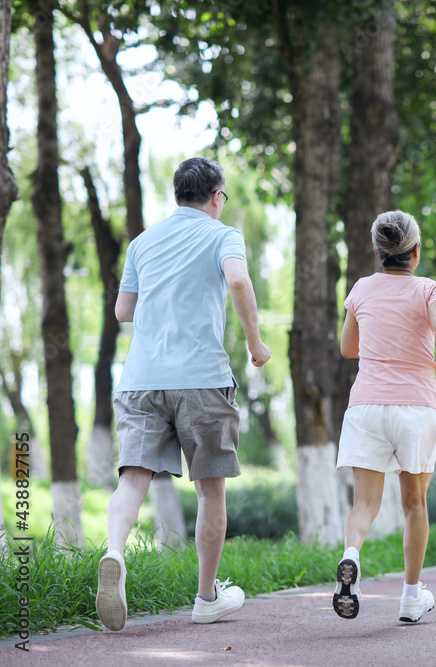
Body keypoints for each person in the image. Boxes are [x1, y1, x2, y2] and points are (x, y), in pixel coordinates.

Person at [96, 157, 271, 632]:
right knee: (210, 489)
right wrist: (255, 344)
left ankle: (114, 553)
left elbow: (122, 311)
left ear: (177, 195)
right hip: (202, 379)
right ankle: (206, 598)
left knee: (132, 477)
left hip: (141, 380)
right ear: (217, 197)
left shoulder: (142, 243)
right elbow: (237, 279)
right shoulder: (223, 235)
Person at [333, 210, 436, 623]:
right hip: (415, 407)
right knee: (414, 503)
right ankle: (409, 597)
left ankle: (351, 556)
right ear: (415, 252)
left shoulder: (361, 290)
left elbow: (348, 348)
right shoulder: (430, 289)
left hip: (366, 405)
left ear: (377, 252)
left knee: (364, 503)